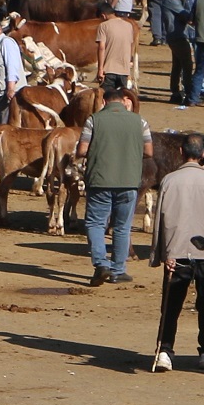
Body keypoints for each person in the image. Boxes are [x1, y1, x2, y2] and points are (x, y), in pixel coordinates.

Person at [151, 137, 204, 373]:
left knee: (170, 306)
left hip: (175, 252)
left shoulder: (169, 180)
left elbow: (159, 221)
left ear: (180, 152)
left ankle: (165, 350)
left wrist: (161, 254)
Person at [80, 82, 148, 285]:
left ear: (104, 102)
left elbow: (83, 149)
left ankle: (101, 263)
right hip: (128, 181)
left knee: (96, 223)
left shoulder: (94, 120)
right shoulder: (140, 122)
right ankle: (118, 270)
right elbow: (150, 151)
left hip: (100, 180)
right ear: (123, 102)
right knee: (122, 226)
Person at [98, 8, 137, 97]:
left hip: (109, 69)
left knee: (107, 98)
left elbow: (101, 47)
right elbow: (131, 45)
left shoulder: (103, 26)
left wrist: (100, 69)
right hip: (124, 70)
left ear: (103, 15)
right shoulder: (128, 26)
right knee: (121, 97)